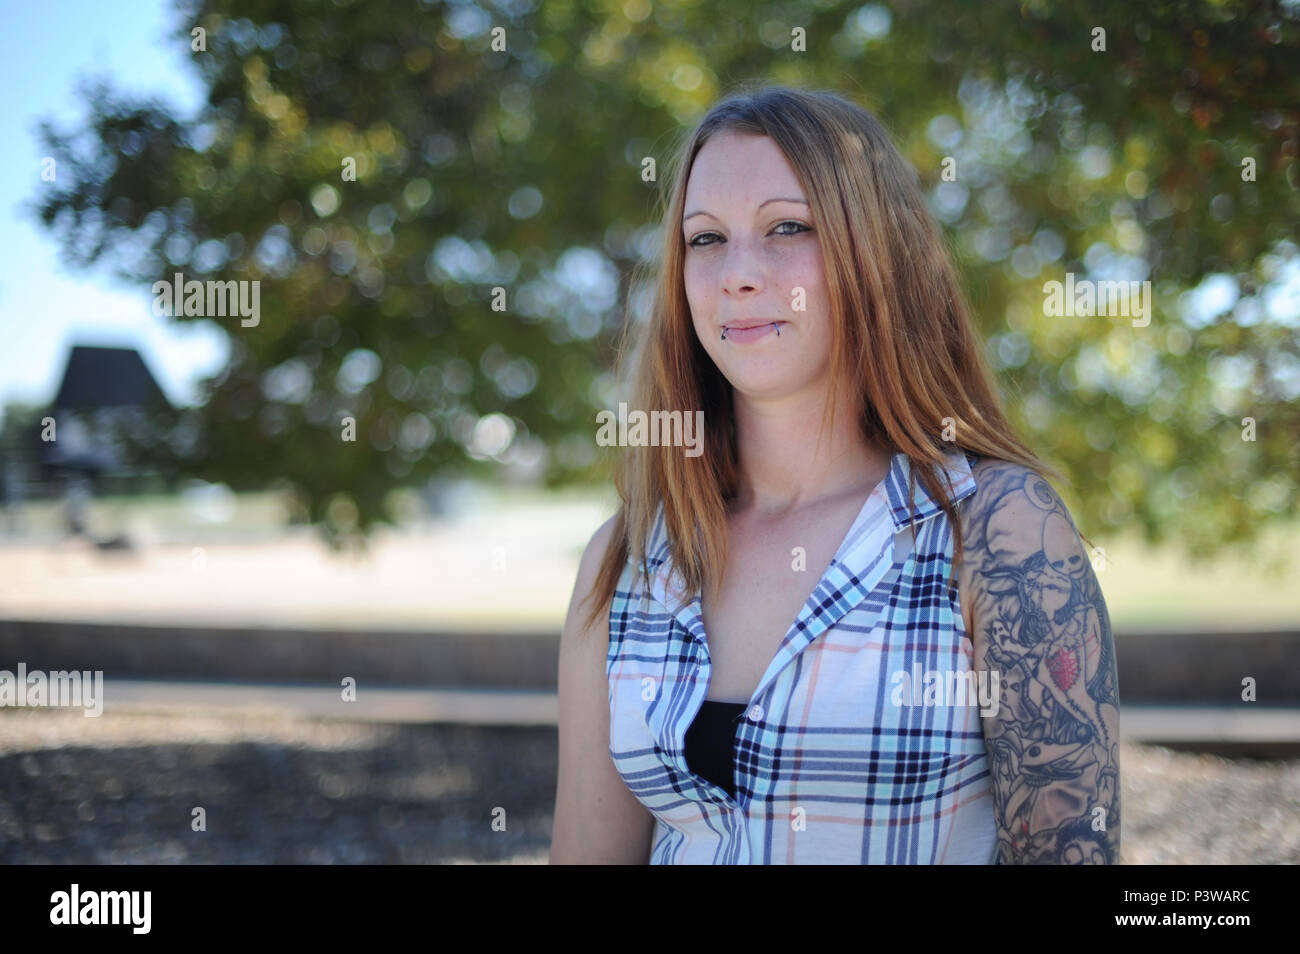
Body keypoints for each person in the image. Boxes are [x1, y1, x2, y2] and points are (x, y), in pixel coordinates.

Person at [549, 84, 1120, 864]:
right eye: (705, 239)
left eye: (788, 227)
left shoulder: (998, 531)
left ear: (876, 254)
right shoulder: (626, 561)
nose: (738, 273)